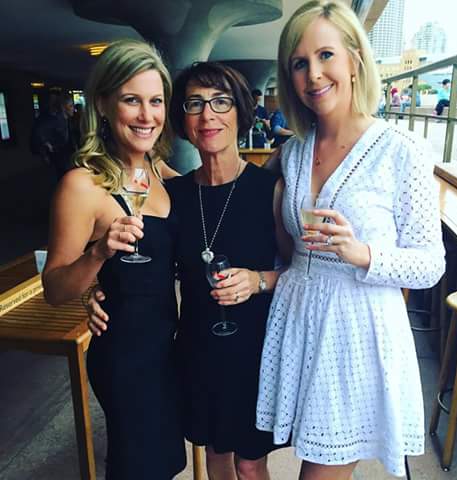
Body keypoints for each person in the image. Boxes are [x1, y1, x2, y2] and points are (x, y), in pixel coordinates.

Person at [255, 2, 446, 480]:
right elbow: (252, 211)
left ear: (355, 61)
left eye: (326, 55)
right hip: (299, 325)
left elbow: (430, 264)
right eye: (299, 63)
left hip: (356, 336)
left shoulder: (401, 150)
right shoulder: (293, 153)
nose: (314, 74)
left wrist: (361, 254)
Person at [87, 61, 292, 479]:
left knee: (250, 464)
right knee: (215, 456)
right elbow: (138, 256)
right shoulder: (172, 194)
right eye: (195, 104)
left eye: (221, 102)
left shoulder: (270, 190)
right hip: (197, 347)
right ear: (182, 120)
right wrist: (93, 289)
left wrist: (259, 280)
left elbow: (304, 273)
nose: (208, 115)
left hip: (256, 349)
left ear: (241, 112)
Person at [41, 39, 186, 479]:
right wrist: (99, 254)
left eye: (155, 101)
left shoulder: (163, 174)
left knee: (165, 464)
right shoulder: (82, 185)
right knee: (136, 467)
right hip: (125, 354)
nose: (147, 115)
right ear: (103, 104)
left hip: (168, 348)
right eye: (131, 100)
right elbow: (54, 288)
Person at [31, 92, 77, 180]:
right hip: (61, 160)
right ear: (64, 107)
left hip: (67, 159)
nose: (73, 109)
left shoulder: (67, 120)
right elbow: (39, 132)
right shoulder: (56, 121)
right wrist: (47, 145)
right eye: (71, 106)